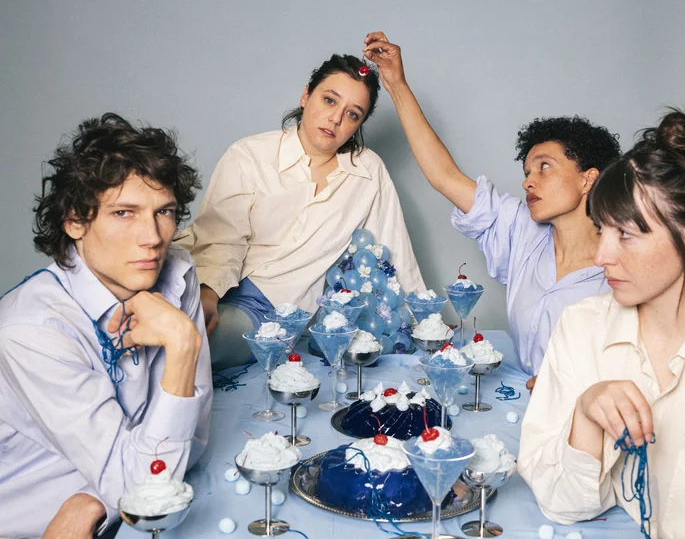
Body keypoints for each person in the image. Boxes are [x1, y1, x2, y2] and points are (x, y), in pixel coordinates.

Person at [518, 110, 685, 537]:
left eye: (627, 235)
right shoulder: (581, 327)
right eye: (602, 231)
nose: (601, 257)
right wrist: (586, 414)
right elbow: (562, 505)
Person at [363, 32, 622, 383]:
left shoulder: (625, 264)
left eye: (545, 167)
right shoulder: (521, 230)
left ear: (588, 178)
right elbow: (444, 176)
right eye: (527, 171)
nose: (528, 181)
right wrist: (395, 84)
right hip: (522, 406)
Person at [0, 114, 212, 539]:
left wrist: (95, 498)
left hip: (99, 514)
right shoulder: (32, 329)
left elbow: (196, 439)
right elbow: (149, 492)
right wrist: (183, 344)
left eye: (164, 212)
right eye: (123, 213)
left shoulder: (176, 273)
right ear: (75, 221)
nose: (152, 237)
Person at [178, 53, 425, 369]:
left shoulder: (367, 172)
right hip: (195, 279)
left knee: (183, 346)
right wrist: (207, 293)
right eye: (329, 100)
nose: (335, 119)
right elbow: (222, 236)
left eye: (352, 114)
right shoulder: (250, 154)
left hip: (267, 309)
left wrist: (427, 326)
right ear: (306, 94)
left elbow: (394, 252)